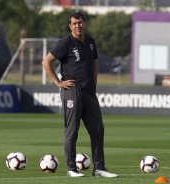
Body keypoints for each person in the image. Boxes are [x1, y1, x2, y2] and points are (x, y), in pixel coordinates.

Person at [42, 12, 118, 178]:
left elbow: (95, 62)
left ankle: (99, 168)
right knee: (72, 131)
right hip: (73, 92)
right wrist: (58, 83)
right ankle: (71, 169)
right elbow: (46, 61)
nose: (78, 26)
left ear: (85, 23)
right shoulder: (65, 43)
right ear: (70, 26)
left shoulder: (91, 42)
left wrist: (94, 84)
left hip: (89, 92)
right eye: (74, 23)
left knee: (98, 129)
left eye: (80, 22)